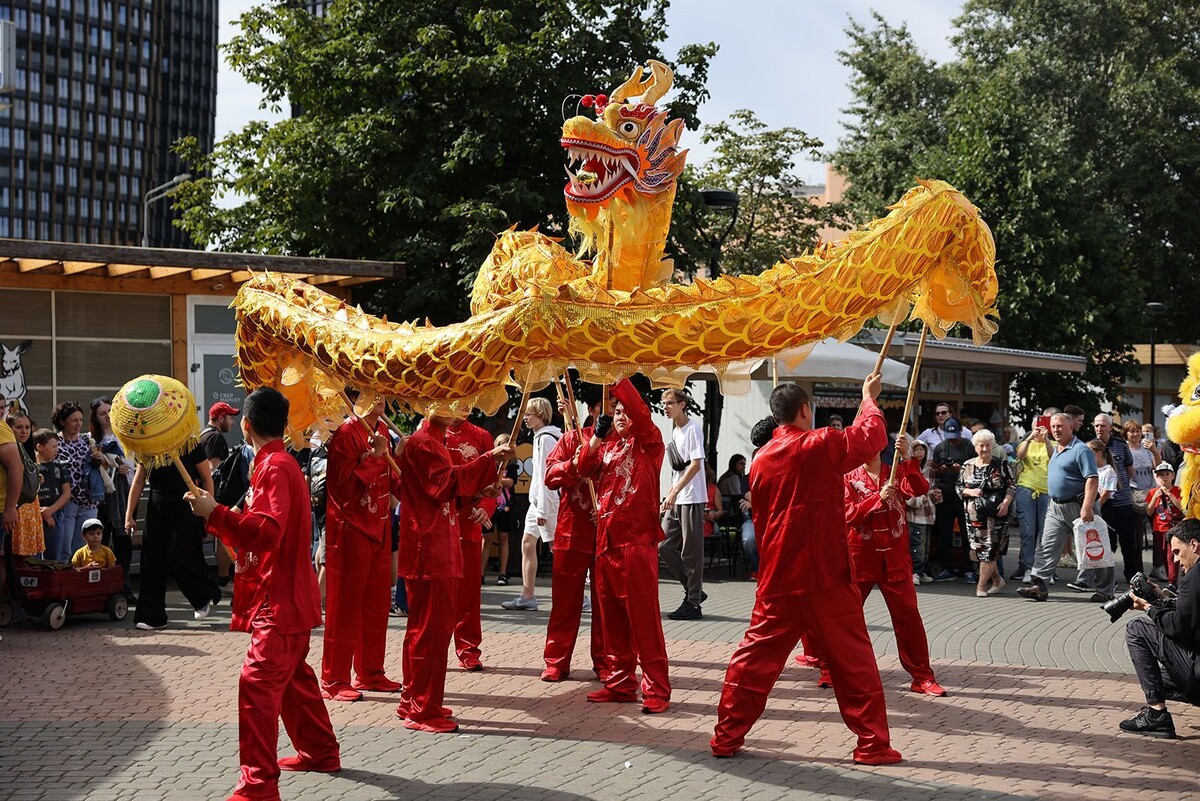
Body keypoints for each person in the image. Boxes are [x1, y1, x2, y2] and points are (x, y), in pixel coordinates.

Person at [711, 372, 902, 765]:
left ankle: (726, 736)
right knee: (854, 663)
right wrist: (868, 398)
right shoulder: (821, 443)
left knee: (753, 660)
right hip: (826, 573)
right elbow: (870, 438)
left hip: (779, 574)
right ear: (805, 410)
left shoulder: (759, 461)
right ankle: (872, 744)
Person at [183, 387, 341, 801]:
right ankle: (320, 751)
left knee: (257, 682)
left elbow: (267, 532)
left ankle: (258, 784)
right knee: (292, 680)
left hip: (282, 598)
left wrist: (214, 513)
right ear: (283, 425)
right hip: (287, 594)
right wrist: (219, 512)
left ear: (246, 426)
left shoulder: (273, 466)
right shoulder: (277, 463)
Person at [396, 410, 510, 733]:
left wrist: (477, 495)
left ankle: (423, 700)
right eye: (446, 398)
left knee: (432, 632)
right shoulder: (424, 443)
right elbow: (443, 485)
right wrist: (489, 459)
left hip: (439, 549)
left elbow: (444, 496)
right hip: (428, 552)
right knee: (427, 633)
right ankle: (420, 709)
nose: (456, 404)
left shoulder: (436, 442)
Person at [573, 377, 671, 713]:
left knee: (644, 622)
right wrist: (596, 436)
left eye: (625, 411)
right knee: (611, 618)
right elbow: (582, 468)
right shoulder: (608, 448)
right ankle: (619, 682)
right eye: (615, 411)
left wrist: (618, 382)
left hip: (637, 542)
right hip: (607, 543)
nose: (619, 415)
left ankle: (657, 688)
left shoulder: (650, 443)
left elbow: (642, 416)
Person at [839, 434, 946, 695]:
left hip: (895, 559)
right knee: (845, 617)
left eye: (872, 445)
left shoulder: (895, 471)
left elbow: (918, 489)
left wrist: (908, 456)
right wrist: (878, 499)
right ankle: (834, 668)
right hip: (860, 557)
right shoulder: (848, 478)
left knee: (908, 617)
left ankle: (922, 675)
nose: (868, 451)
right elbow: (847, 514)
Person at [320, 397, 404, 702]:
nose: (380, 398)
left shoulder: (381, 430)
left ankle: (371, 671)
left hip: (379, 527)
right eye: (372, 392)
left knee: (377, 606)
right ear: (357, 399)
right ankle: (334, 677)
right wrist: (374, 456)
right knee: (344, 607)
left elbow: (396, 481)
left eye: (382, 392)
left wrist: (407, 460)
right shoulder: (345, 434)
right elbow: (343, 488)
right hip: (351, 530)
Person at [540, 396, 608, 683]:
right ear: (593, 410)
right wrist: (576, 462)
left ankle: (606, 661)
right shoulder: (572, 438)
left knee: (606, 604)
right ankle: (556, 661)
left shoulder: (625, 444)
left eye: (620, 406)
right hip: (571, 532)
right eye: (606, 405)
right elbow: (550, 475)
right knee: (565, 602)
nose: (615, 412)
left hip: (606, 534)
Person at [1118, 519, 1200, 739]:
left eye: (1177, 551)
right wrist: (1162, 598)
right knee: (1155, 678)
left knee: (1137, 628)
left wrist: (1148, 608)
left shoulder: (1194, 576)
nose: (1174, 559)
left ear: (1194, 545)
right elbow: (1192, 614)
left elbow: (1178, 627)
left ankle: (1157, 715)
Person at [126, 439, 220, 629]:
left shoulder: (190, 443)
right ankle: (152, 615)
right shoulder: (148, 446)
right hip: (156, 504)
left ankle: (202, 595)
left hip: (186, 504)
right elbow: (138, 481)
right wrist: (129, 514)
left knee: (180, 553)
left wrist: (209, 509)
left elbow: (206, 477)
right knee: (152, 558)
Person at [1019, 413, 1099, 602]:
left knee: (1092, 546)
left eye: (1060, 426)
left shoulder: (1081, 450)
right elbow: (1021, 455)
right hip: (1055, 506)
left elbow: (1092, 478)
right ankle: (1040, 585)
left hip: (1077, 505)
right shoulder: (1056, 448)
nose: (1056, 429)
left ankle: (1105, 587)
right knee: (1047, 546)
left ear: (1071, 427)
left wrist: (1087, 506)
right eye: (1053, 426)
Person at [445, 417, 499, 671]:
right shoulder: (429, 432)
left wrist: (485, 507)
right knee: (440, 594)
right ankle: (434, 648)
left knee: (468, 592)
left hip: (468, 523)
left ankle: (468, 649)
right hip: (440, 522)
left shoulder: (481, 436)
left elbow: (491, 487)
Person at [502, 397, 560, 611]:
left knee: (556, 548)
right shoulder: (539, 437)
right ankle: (528, 595)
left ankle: (579, 596)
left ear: (541, 415)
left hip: (546, 502)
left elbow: (547, 476)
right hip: (537, 501)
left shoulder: (546, 439)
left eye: (530, 414)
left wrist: (543, 508)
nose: (525, 418)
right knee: (527, 543)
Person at [659, 388, 707, 621]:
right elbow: (678, 471)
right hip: (677, 498)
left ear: (682, 404)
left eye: (669, 403)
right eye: (663, 403)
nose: (665, 407)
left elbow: (696, 464)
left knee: (691, 553)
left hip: (693, 497)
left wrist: (675, 492)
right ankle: (694, 589)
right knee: (663, 545)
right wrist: (669, 495)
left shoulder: (693, 430)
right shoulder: (676, 431)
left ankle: (693, 603)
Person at [957, 428, 1016, 597]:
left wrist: (1006, 503)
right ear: (975, 446)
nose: (984, 449)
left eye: (988, 445)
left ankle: (981, 587)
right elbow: (958, 487)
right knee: (980, 550)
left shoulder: (1001, 464)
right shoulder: (967, 465)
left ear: (992, 446)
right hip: (974, 516)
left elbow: (1011, 486)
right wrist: (970, 492)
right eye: (981, 445)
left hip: (997, 515)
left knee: (990, 550)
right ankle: (997, 580)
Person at [90, 397, 135, 599]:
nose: (107, 416)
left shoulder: (125, 436)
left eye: (110, 411)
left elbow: (135, 463)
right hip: (103, 496)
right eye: (102, 413)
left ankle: (124, 584)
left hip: (126, 492)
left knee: (124, 540)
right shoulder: (91, 440)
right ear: (95, 418)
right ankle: (104, 586)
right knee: (102, 539)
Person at [1067, 439, 1119, 602]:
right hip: (1091, 510)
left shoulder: (1108, 470)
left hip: (1103, 511)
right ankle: (1085, 580)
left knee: (1101, 546)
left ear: (1097, 454)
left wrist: (1093, 507)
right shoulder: (1089, 469)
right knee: (1087, 544)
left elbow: (1105, 494)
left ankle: (1108, 582)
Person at [1094, 413, 1141, 581]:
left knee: (1128, 541)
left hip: (1123, 501)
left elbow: (1129, 470)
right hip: (1102, 502)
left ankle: (1132, 576)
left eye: (1103, 425)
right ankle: (1104, 577)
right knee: (1105, 540)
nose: (1099, 429)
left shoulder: (1121, 445)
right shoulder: (1091, 446)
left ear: (1110, 427)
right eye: (1097, 425)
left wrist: (1117, 486)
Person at [51, 401, 100, 558]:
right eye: (74, 420)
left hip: (89, 500)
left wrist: (100, 459)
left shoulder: (88, 441)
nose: (78, 424)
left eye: (80, 420)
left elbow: (100, 469)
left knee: (85, 548)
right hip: (66, 501)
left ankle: (80, 580)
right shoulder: (54, 443)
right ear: (62, 421)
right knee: (64, 547)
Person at [201, 401, 240, 586]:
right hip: (217, 496)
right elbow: (214, 469)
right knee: (225, 537)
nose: (232, 423)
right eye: (230, 418)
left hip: (208, 495)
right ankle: (224, 579)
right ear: (221, 418)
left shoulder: (204, 434)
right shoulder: (215, 438)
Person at [930, 417, 973, 581]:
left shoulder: (969, 446)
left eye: (955, 434)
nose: (953, 438)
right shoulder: (940, 447)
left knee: (966, 534)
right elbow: (933, 470)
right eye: (950, 435)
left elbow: (976, 467)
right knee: (945, 534)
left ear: (961, 431)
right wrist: (942, 469)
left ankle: (969, 569)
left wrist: (961, 468)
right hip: (945, 495)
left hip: (964, 496)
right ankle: (948, 568)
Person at [1013, 415, 1053, 583]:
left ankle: (1044, 569)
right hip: (1027, 488)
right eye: (1036, 426)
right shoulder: (1026, 442)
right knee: (1028, 532)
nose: (1039, 429)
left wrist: (1047, 441)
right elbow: (1020, 456)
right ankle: (1028, 568)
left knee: (1047, 533)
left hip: (1047, 490)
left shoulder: (1054, 443)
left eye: (1042, 426)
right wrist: (1029, 438)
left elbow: (1055, 457)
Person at [5, 411, 44, 559]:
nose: (24, 431)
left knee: (28, 557)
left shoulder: (26, 448)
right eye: (19, 427)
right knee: (12, 554)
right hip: (15, 506)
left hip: (30, 507)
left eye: (27, 427)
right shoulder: (9, 448)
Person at [484, 433, 518, 585]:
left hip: (505, 506)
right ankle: (480, 572)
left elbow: (510, 482)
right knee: (486, 538)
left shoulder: (511, 465)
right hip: (489, 504)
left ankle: (503, 573)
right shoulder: (490, 463)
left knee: (504, 538)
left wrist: (497, 480)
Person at [1145, 463, 1184, 589]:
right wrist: (1154, 498)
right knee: (1163, 556)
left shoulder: (1178, 490)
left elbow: (1183, 509)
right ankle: (1170, 579)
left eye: (1167, 474)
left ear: (1173, 475)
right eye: (1161, 475)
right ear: (1156, 477)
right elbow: (1149, 512)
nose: (1164, 478)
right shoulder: (1152, 492)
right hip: (1159, 529)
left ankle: (1172, 582)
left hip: (1174, 529)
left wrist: (1170, 495)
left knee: (1171, 556)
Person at [34, 429, 71, 559]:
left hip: (55, 514)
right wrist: (41, 513)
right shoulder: (31, 468)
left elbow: (67, 493)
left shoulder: (59, 467)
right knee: (34, 556)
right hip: (34, 515)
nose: (57, 450)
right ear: (39, 447)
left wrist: (50, 511)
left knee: (55, 556)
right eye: (54, 446)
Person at [905, 440, 936, 585]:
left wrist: (936, 495)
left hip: (929, 514)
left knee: (926, 546)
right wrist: (918, 501)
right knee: (916, 545)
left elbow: (931, 488)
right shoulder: (907, 468)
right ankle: (914, 572)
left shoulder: (929, 470)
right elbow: (906, 491)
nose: (919, 452)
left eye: (922, 450)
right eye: (916, 450)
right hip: (914, 514)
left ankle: (921, 570)